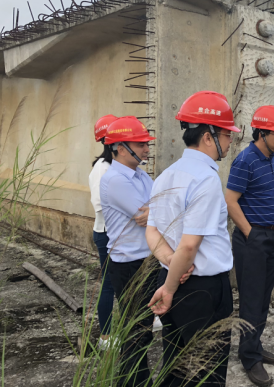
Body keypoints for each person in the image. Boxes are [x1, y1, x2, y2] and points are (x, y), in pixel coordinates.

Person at [147, 91, 240, 387]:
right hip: (202, 290)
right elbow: (189, 245)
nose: (230, 141)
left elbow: (152, 231)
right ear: (208, 137)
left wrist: (170, 265)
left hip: (171, 277)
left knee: (175, 365)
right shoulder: (206, 179)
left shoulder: (165, 175)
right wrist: (170, 287)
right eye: (227, 134)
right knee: (208, 373)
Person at [225, 105, 274, 387]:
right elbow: (231, 201)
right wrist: (250, 233)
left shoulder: (271, 157)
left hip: (273, 235)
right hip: (253, 238)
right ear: (262, 133)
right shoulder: (245, 160)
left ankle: (254, 344)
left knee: (263, 297)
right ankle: (250, 357)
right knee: (251, 300)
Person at [100, 116, 157, 387]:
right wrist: (158, 210)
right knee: (137, 331)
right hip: (129, 265)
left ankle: (138, 380)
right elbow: (144, 215)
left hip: (146, 260)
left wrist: (156, 210)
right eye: (141, 144)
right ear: (121, 148)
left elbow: (160, 208)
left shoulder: (141, 174)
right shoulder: (115, 180)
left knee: (142, 329)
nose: (147, 149)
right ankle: (131, 382)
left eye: (146, 143)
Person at [88, 114, 117, 351]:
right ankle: (105, 337)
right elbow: (100, 205)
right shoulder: (102, 168)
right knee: (109, 284)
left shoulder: (115, 166)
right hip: (107, 233)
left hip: (118, 232)